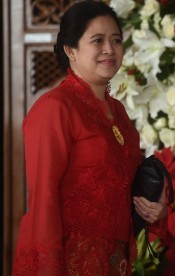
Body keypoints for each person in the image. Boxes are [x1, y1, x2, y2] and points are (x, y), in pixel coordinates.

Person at [12, 1, 166, 275]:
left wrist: (153, 207)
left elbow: (121, 187)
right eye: (98, 40)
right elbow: (44, 198)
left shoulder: (117, 111)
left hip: (115, 260)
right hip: (70, 260)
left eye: (116, 40)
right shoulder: (55, 107)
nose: (110, 49)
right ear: (71, 50)